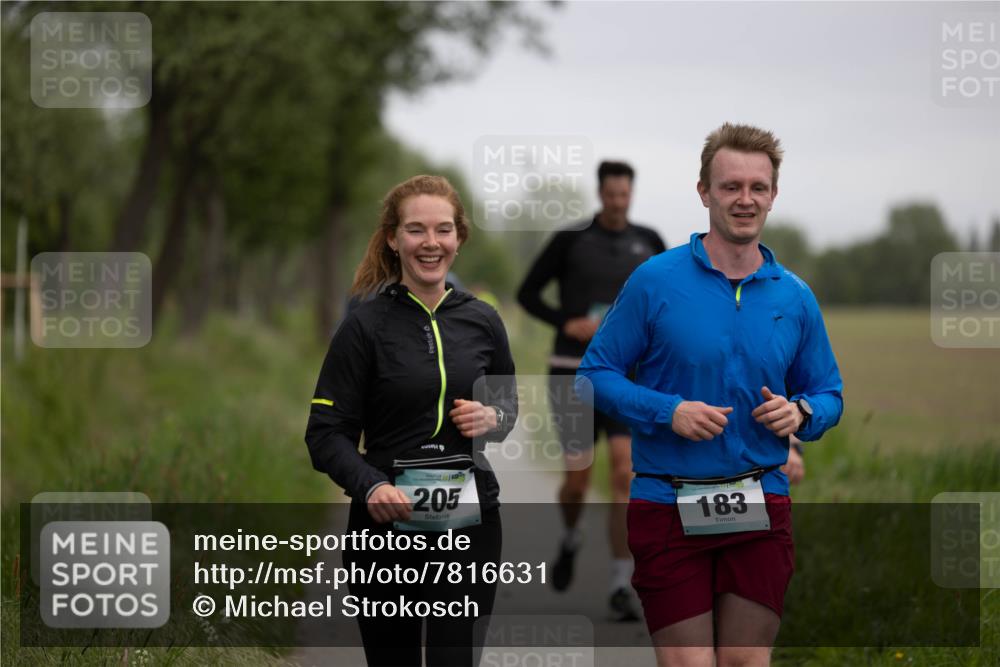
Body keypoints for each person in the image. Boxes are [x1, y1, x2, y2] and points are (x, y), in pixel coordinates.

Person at [577, 123, 843, 666]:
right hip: (667, 505)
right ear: (704, 192)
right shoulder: (655, 280)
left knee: (744, 663)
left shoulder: (795, 297)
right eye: (730, 187)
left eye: (757, 188)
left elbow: (829, 393)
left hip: (761, 506)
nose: (744, 200)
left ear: (772, 195)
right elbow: (593, 375)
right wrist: (667, 410)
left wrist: (802, 412)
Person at [305, 175, 518, 666]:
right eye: (416, 230)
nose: (431, 243)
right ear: (393, 238)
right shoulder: (363, 325)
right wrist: (370, 486)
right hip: (385, 523)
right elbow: (324, 435)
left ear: (459, 239)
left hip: (470, 521)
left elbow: (507, 412)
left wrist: (493, 416)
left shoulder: (484, 320)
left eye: (443, 230)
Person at [516, 160, 666, 621]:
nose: (618, 203)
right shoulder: (570, 241)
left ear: (631, 194)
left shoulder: (651, 242)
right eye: (611, 195)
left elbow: (667, 300)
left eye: (625, 196)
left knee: (624, 475)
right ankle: (570, 536)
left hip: (626, 376)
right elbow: (528, 294)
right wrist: (569, 321)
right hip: (571, 371)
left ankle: (621, 583)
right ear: (600, 194)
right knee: (578, 478)